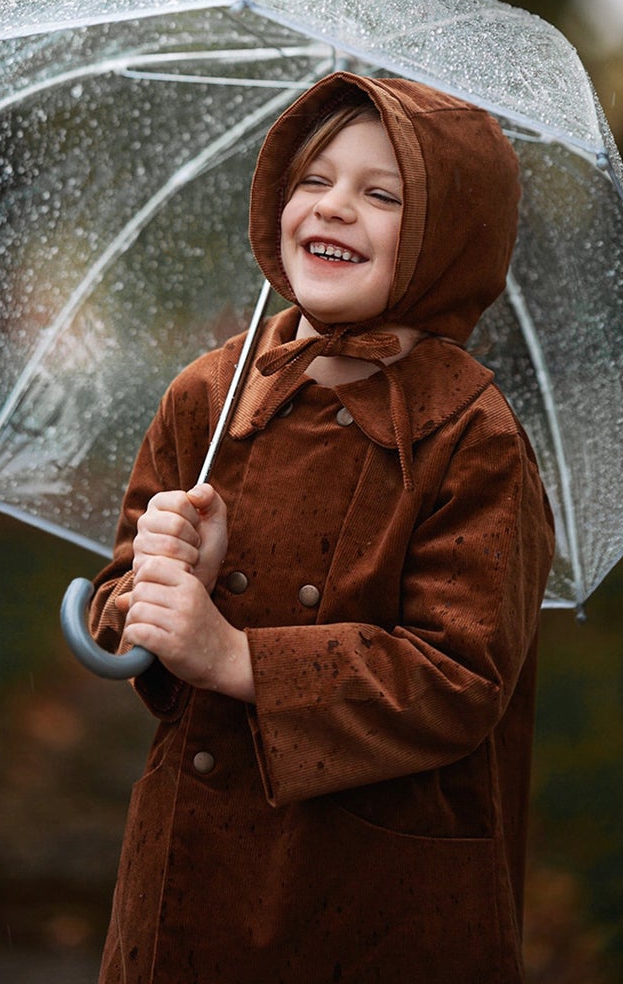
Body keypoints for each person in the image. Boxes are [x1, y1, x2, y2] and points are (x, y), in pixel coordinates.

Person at [88, 72, 556, 984]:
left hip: (378, 896)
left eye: (382, 194)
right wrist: (159, 584)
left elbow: (458, 677)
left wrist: (235, 656)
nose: (334, 207)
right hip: (192, 877)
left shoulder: (472, 436)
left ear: (445, 239)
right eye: (313, 179)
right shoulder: (210, 397)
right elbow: (119, 605)